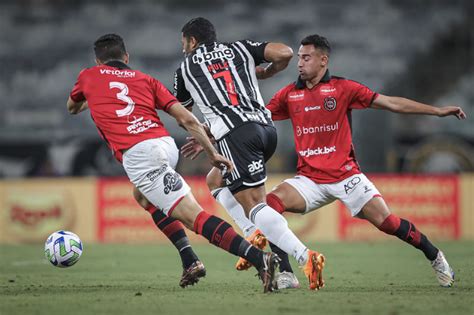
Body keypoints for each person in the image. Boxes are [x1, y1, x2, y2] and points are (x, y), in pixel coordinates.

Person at [193, 34, 466, 288]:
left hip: (346, 177)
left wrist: (437, 111)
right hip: (309, 180)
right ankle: (287, 272)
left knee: (388, 222)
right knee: (269, 206)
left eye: (306, 57)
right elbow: (250, 118)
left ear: (324, 60)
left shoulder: (344, 89)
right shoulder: (290, 94)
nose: (299, 63)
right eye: (299, 57)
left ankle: (434, 255)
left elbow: (391, 103)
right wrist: (206, 133)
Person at [66, 33, 281, 293]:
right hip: (165, 145)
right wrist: (211, 153)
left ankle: (261, 259)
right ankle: (189, 259)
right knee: (143, 196)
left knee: (194, 218)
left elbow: (73, 108)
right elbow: (187, 119)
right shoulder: (146, 80)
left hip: (141, 155)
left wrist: (98, 97)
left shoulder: (89, 76)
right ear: (127, 57)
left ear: (97, 61)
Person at [174, 17, 325, 291]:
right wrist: (267, 73)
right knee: (215, 180)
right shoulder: (239, 49)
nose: (183, 48)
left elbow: (184, 117)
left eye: (184, 42)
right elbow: (285, 53)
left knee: (256, 206)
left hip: (237, 134)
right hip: (266, 130)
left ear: (192, 41)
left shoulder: (185, 68)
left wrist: (205, 137)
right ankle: (256, 236)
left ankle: (306, 257)